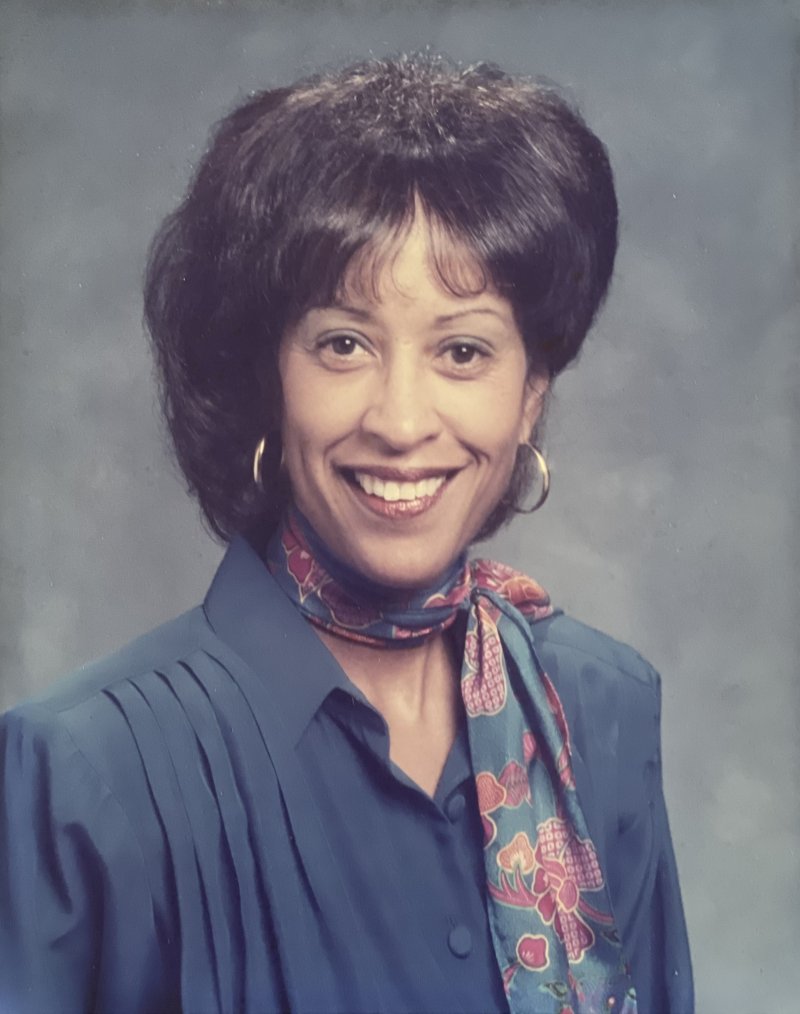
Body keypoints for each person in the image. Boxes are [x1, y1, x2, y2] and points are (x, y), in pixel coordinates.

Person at [0, 54, 693, 1013]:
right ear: (270, 379)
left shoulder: (604, 707)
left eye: (463, 350)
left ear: (530, 392)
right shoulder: (83, 774)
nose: (401, 422)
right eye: (343, 344)